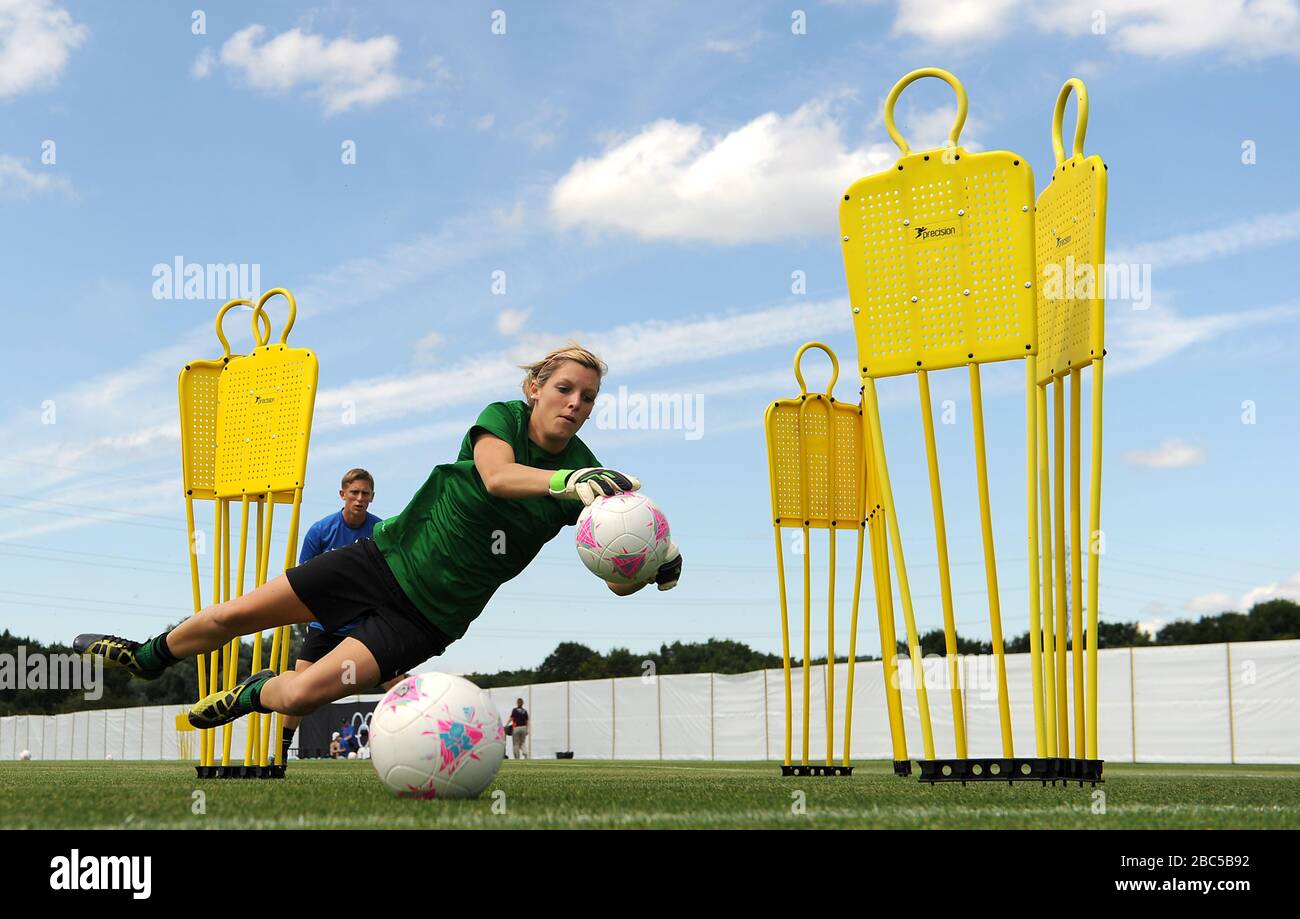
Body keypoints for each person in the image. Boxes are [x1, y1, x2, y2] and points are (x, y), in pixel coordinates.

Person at [73, 344, 682, 735]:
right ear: (536, 389)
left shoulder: (585, 471)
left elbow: (612, 573)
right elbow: (497, 477)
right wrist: (566, 479)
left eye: (589, 398)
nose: (576, 404)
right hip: (383, 560)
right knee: (236, 613)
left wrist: (648, 563)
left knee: (305, 694)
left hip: (428, 617)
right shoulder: (504, 420)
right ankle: (149, 658)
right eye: (565, 389)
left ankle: (256, 693)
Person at [278, 468, 406, 766]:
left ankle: (418, 741)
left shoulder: (381, 531)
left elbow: (393, 577)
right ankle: (280, 753)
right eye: (354, 493)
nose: (360, 499)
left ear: (372, 497)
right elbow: (305, 582)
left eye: (366, 494)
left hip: (364, 623)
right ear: (342, 495)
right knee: (298, 689)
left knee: (398, 687)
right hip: (325, 622)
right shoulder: (320, 531)